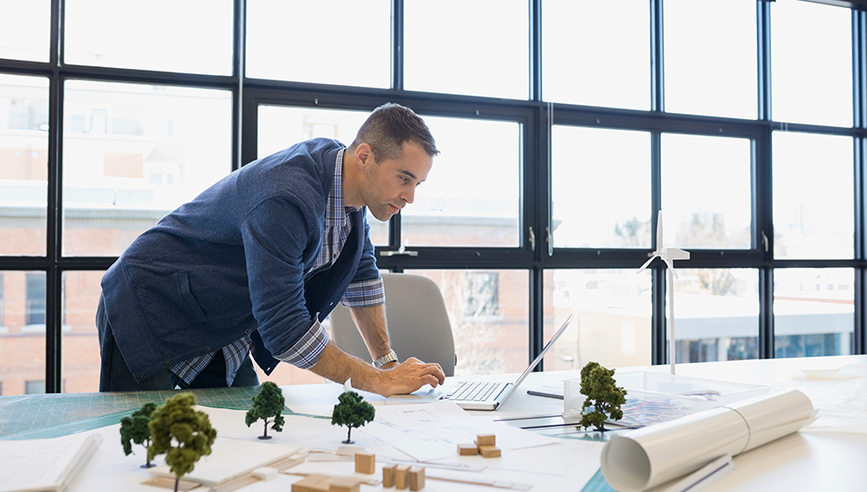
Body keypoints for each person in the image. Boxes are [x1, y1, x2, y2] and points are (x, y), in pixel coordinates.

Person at [97, 102, 446, 396]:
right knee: (137, 445)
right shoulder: (286, 196)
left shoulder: (348, 189)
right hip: (150, 308)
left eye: (418, 183)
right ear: (365, 157)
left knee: (244, 438)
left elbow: (360, 275)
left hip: (218, 329)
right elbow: (285, 328)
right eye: (403, 178)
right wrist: (379, 382)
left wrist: (386, 363)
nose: (410, 196)